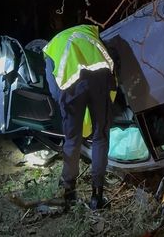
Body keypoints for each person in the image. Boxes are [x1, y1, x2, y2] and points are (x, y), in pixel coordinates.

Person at [43, 24, 116, 210]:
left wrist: (63, 105)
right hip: (100, 80)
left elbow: (53, 88)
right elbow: (112, 70)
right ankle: (97, 197)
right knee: (100, 137)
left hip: (71, 87)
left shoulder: (52, 47)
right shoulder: (92, 35)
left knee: (72, 139)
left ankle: (69, 193)